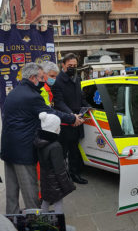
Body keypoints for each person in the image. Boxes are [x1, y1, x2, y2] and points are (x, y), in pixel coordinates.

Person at [1, 62, 83, 214]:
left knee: (11, 191)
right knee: (30, 191)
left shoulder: (15, 91)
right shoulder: (32, 96)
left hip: (8, 149)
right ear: (32, 78)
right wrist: (72, 118)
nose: (43, 81)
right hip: (23, 152)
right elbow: (51, 113)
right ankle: (36, 228)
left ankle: (11, 220)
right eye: (41, 77)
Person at [52, 53, 89, 184]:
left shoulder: (77, 79)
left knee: (74, 149)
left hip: (78, 119)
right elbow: (59, 102)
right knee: (62, 152)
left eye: (75, 66)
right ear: (63, 65)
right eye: (70, 66)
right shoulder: (57, 81)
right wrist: (71, 115)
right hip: (65, 121)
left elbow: (81, 97)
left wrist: (87, 107)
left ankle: (74, 174)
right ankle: (61, 178)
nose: (73, 68)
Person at [35, 112, 76, 213]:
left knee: (45, 200)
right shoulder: (55, 146)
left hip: (45, 178)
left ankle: (42, 219)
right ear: (55, 129)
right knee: (58, 202)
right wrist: (67, 185)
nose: (60, 128)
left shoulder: (39, 141)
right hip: (55, 182)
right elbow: (60, 170)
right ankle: (59, 222)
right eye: (58, 127)